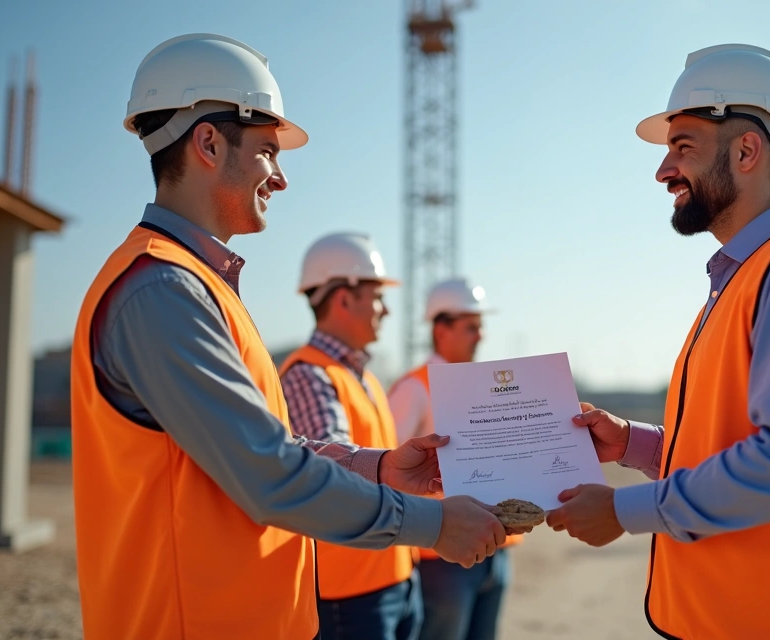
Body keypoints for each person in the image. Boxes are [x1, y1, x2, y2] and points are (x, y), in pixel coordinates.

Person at [69, 33, 504, 640]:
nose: (280, 179)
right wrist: (432, 524)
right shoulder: (161, 289)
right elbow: (268, 474)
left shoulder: (193, 283)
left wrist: (376, 467)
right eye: (269, 152)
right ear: (209, 143)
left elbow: (267, 448)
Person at [545, 44, 770, 639]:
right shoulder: (747, 277)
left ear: (745, 151)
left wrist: (623, 510)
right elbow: (729, 444)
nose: (663, 171)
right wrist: (632, 443)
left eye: (682, 147)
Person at [277, 232, 422, 640]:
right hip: (349, 592)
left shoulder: (365, 378)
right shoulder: (309, 375)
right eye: (377, 297)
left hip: (394, 574)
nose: (386, 310)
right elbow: (331, 476)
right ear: (344, 299)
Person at [387, 278, 519, 640]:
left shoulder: (481, 385)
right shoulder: (413, 389)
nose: (481, 335)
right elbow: (385, 468)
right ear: (441, 329)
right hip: (442, 557)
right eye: (471, 326)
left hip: (494, 547)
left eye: (481, 326)